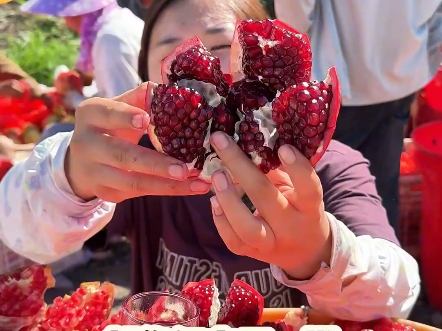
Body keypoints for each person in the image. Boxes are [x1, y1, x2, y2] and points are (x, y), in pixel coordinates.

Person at [0, 0, 420, 322]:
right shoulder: (137, 176)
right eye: (176, 63)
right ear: (147, 86)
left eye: (221, 47)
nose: (208, 81)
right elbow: (17, 247)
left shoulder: (334, 170)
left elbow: (400, 291)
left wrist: (323, 253)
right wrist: (64, 181)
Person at [273, 0, 442, 234]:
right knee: (380, 188)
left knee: (327, 193)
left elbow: (295, 17)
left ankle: (336, 264)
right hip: (406, 66)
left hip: (342, 78)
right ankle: (382, 258)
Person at [21, 0, 144, 99]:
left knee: (55, 130)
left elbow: (122, 107)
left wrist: (73, 100)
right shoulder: (122, 18)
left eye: (66, 16)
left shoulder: (109, 41)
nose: (66, 24)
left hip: (138, 123)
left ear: (78, 13)